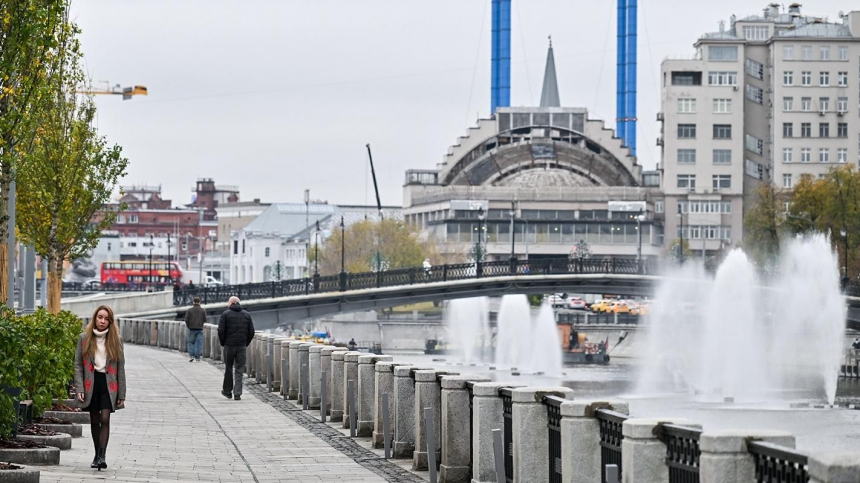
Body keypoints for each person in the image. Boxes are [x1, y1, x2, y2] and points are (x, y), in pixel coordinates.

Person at [74, 305, 126, 471]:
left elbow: (120, 367)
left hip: (108, 384)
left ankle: (102, 456)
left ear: (110, 321)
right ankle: (97, 455)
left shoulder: (116, 340)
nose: (102, 321)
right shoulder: (84, 338)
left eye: (106, 318)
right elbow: (78, 365)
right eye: (100, 317)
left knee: (105, 418)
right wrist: (79, 388)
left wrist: (122, 393)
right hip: (91, 383)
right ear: (95, 318)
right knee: (94, 420)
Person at [218, 296, 255, 400]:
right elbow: (251, 331)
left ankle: (227, 392)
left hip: (229, 346)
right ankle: (237, 393)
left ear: (231, 303)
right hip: (241, 346)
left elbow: (221, 330)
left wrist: (223, 343)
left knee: (228, 368)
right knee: (239, 369)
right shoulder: (246, 315)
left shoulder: (225, 314)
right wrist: (245, 343)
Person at [184, 297, 207, 362]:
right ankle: (197, 358)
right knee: (198, 343)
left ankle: (191, 356)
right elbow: (205, 319)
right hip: (199, 329)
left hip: (191, 329)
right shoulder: (203, 310)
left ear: (193, 302)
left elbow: (186, 319)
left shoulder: (189, 310)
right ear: (199, 302)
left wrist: (189, 326)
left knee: (191, 343)